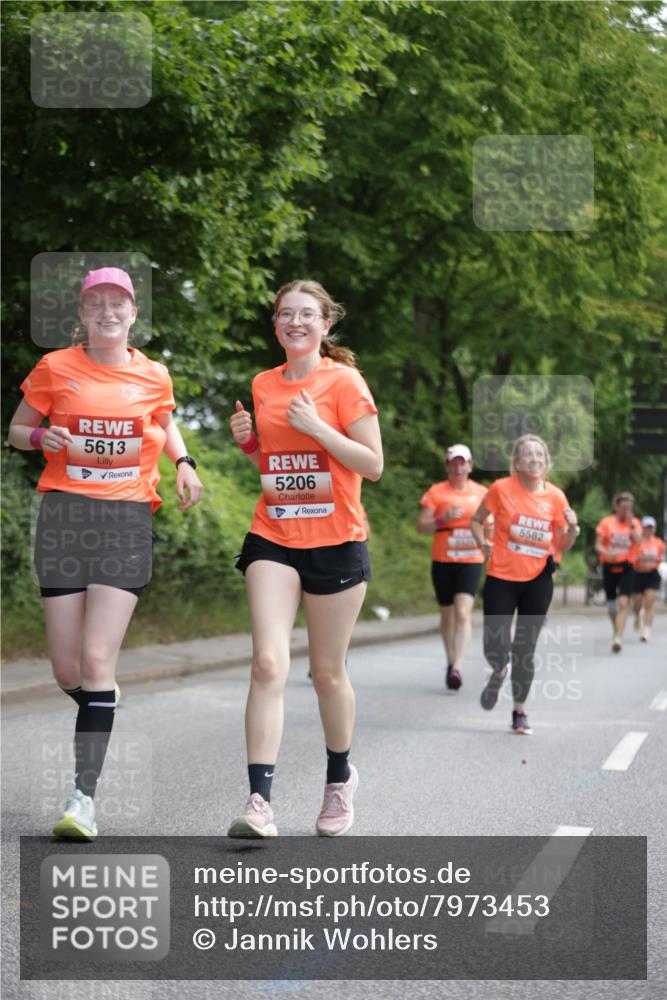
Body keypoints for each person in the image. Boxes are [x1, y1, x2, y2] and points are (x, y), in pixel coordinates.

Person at [8, 267, 203, 840]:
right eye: (97, 304)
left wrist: (184, 462)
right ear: (83, 314)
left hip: (125, 517)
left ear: (133, 313)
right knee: (67, 669)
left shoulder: (153, 373)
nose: (108, 312)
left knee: (96, 662)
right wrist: (42, 437)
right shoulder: (55, 367)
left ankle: (82, 799)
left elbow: (165, 421)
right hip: (65, 515)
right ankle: (100, 700)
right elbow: (18, 429)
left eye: (118, 303)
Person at [228, 279, 382, 838]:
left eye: (307, 314)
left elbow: (373, 464)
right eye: (285, 314)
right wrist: (251, 445)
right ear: (275, 325)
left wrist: (318, 427)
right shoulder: (263, 384)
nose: (295, 322)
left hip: (337, 541)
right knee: (268, 662)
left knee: (325, 672)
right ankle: (258, 803)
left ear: (326, 325)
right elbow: (276, 468)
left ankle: (340, 780)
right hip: (273, 535)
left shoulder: (344, 382)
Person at [470, 434, 578, 735]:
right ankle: (498, 668)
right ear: (516, 462)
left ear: (547, 463)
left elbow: (562, 543)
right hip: (501, 576)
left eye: (539, 455)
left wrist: (574, 527)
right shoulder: (501, 489)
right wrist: (482, 544)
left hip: (538, 580)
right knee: (495, 643)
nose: (534, 459)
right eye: (528, 455)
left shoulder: (556, 497)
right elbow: (476, 520)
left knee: (525, 649)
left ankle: (519, 712)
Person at [417, 444, 488, 690]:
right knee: (447, 614)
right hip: (443, 561)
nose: (458, 467)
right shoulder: (436, 492)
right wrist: (442, 519)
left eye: (463, 462)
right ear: (447, 466)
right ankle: (450, 662)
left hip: (471, 560)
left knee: (463, 612)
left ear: (470, 466)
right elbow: (421, 526)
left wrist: (490, 541)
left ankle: (458, 666)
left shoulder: (482, 493)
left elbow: (493, 523)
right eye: (453, 462)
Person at [595, 493, 642, 652]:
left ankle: (618, 638)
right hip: (609, 565)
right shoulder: (606, 522)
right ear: (617, 507)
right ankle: (616, 629)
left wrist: (632, 526)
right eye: (623, 508)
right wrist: (607, 553)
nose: (626, 511)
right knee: (611, 606)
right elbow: (598, 545)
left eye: (629, 508)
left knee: (623, 603)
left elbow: (640, 542)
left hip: (627, 566)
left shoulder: (634, 523)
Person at [631, 516, 665, 643]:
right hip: (638, 574)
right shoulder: (637, 542)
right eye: (646, 527)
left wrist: (660, 559)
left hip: (652, 574)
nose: (649, 530)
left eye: (651, 527)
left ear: (654, 529)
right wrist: (639, 559)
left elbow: (661, 556)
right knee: (638, 603)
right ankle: (636, 615)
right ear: (642, 529)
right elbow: (632, 557)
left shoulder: (658, 543)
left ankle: (646, 630)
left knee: (649, 603)